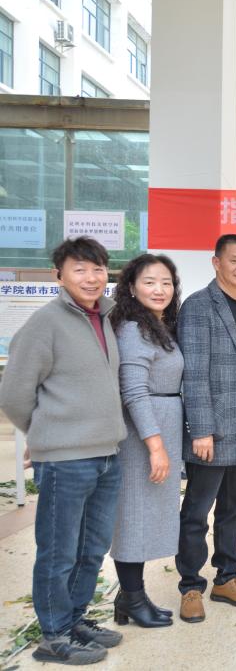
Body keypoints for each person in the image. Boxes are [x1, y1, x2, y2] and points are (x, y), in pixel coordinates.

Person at [0, 238, 127, 665]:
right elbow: (14, 394)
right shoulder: (44, 323)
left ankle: (74, 619)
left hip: (107, 454)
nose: (91, 278)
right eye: (79, 269)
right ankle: (53, 636)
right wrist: (45, 435)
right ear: (59, 275)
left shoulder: (105, 318)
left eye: (98, 269)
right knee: (58, 552)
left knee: (92, 548)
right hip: (65, 461)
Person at [176, 234, 236, 623]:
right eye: (234, 260)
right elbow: (194, 373)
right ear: (216, 262)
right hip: (213, 428)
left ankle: (227, 577)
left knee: (235, 506)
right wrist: (201, 429)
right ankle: (190, 586)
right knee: (197, 510)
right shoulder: (199, 306)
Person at [108, 255, 184, 628]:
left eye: (166, 282)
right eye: (150, 282)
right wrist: (155, 445)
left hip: (161, 425)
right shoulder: (133, 329)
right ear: (132, 287)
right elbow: (134, 391)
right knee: (133, 516)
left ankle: (131, 596)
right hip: (143, 433)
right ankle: (132, 598)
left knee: (143, 515)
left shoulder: (157, 325)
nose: (159, 289)